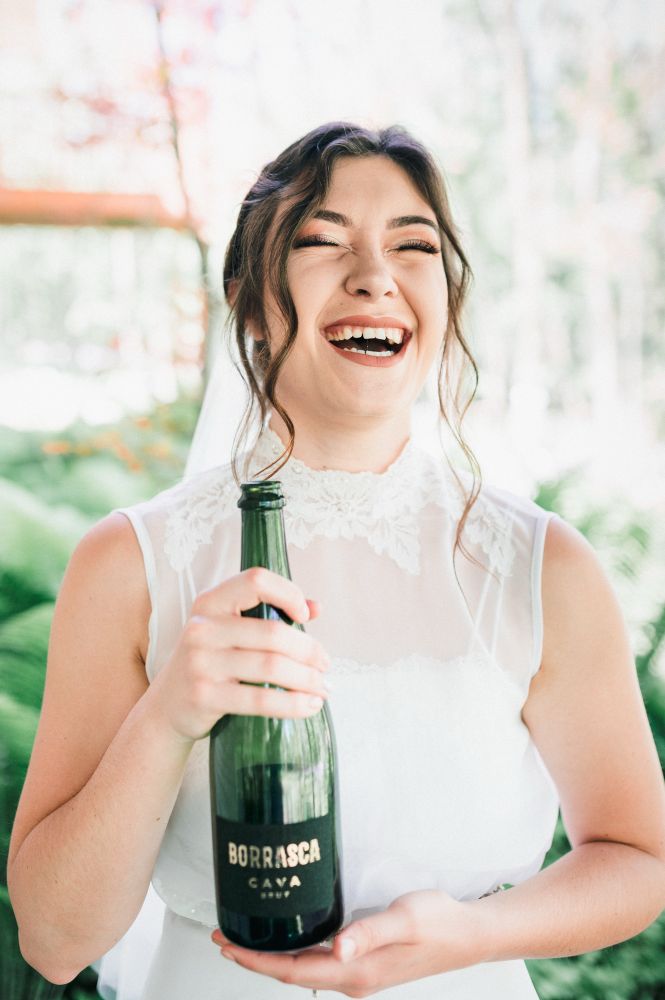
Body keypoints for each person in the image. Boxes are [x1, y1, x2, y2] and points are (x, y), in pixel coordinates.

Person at [7, 121, 665, 1000]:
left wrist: (472, 934)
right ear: (248, 297)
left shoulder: (542, 569)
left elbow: (638, 859)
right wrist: (168, 715)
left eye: (413, 246)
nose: (374, 276)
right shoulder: (131, 563)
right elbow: (54, 941)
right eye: (322, 241)